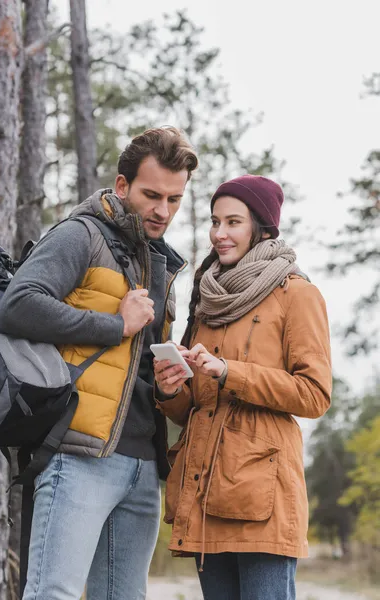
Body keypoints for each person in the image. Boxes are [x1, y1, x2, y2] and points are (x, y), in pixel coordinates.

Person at [0, 126, 198, 600]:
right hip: (78, 456)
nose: (162, 210)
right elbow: (19, 304)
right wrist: (114, 326)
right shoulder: (80, 235)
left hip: (142, 465)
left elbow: (135, 367)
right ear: (122, 185)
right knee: (54, 593)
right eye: (152, 195)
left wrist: (169, 380)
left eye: (174, 199)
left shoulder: (162, 263)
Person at [154, 175, 332, 600]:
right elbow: (192, 408)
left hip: (262, 500)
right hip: (204, 493)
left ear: (262, 227)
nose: (219, 233)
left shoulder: (297, 294)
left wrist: (229, 371)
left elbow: (314, 394)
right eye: (215, 222)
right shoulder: (208, 298)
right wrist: (170, 389)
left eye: (233, 222)